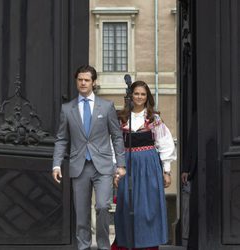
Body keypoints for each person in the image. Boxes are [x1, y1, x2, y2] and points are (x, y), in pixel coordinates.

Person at [52, 65, 126, 250]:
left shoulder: (107, 106)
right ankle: (83, 247)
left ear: (93, 82)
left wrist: (121, 164)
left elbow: (117, 136)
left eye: (87, 80)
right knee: (82, 213)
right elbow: (61, 139)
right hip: (79, 166)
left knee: (102, 206)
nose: (83, 83)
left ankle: (103, 246)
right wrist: (56, 164)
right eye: (80, 80)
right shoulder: (67, 109)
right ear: (76, 82)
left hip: (103, 166)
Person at [113, 81, 176, 250]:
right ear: (131, 96)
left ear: (147, 97)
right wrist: (116, 171)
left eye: (143, 94)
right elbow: (116, 145)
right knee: (127, 204)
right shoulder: (122, 118)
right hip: (127, 164)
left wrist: (167, 171)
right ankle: (128, 242)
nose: (139, 97)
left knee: (147, 207)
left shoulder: (153, 118)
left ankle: (147, 243)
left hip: (149, 165)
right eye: (136, 93)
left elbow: (165, 144)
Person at [181, 113, 198, 250]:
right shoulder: (198, 115)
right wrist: (186, 168)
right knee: (194, 209)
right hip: (198, 169)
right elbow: (192, 141)